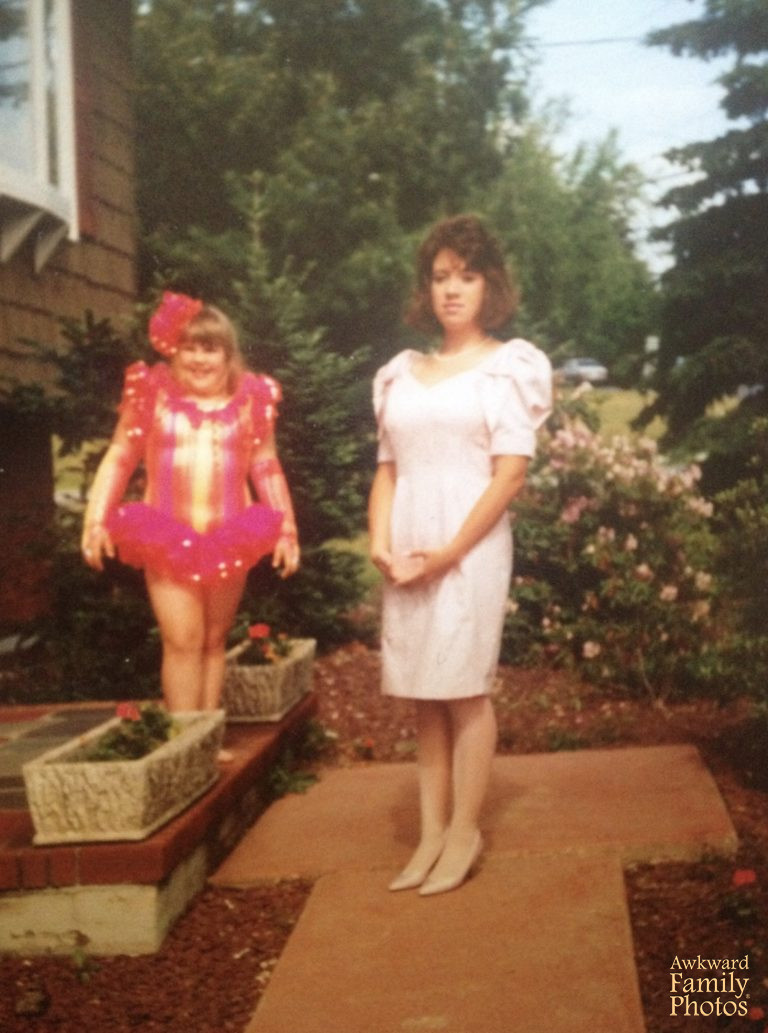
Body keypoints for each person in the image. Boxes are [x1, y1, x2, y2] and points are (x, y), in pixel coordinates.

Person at [369, 215, 552, 896]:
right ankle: (430, 832)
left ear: (489, 286)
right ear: (426, 288)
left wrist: (446, 554)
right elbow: (387, 470)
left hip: (467, 547)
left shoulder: (507, 369)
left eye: (467, 276)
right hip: (409, 547)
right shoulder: (400, 374)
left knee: (465, 688)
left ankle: (464, 830)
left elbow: (510, 475)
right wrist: (380, 542)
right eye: (441, 276)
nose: (452, 289)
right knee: (425, 692)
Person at [81, 291, 299, 718]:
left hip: (229, 536)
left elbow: (266, 465)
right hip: (167, 536)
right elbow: (120, 455)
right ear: (173, 352)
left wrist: (287, 531)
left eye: (210, 349)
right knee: (182, 640)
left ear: (228, 355)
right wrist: (95, 520)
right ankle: (184, 739)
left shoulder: (250, 402)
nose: (199, 359)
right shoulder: (153, 396)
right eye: (189, 348)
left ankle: (207, 739)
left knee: (214, 641)